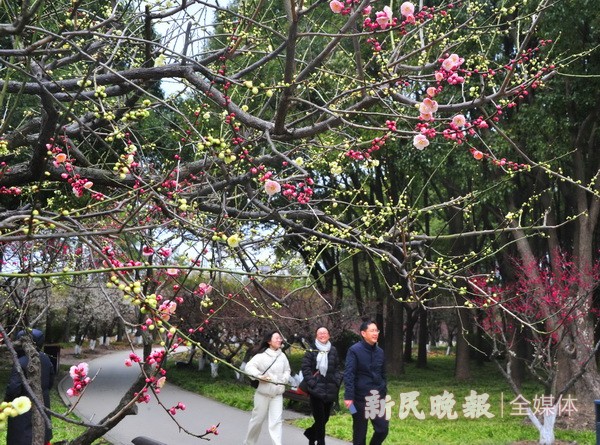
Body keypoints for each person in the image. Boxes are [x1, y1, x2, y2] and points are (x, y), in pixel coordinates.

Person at [5, 329, 55, 445]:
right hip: (42, 404)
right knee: (41, 435)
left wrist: (7, 403)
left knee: (22, 437)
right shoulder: (46, 359)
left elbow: (13, 389)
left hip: (23, 408)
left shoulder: (21, 362)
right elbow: (50, 382)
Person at [343, 320, 388, 445]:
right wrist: (349, 397)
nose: (375, 333)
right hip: (358, 399)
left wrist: (383, 391)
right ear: (363, 333)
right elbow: (349, 374)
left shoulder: (380, 352)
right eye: (372, 331)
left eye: (376, 330)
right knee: (359, 433)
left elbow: (383, 373)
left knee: (383, 429)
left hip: (377, 398)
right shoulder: (354, 350)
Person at [243, 330, 291, 445]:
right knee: (257, 421)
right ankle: (249, 443)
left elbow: (287, 370)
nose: (280, 340)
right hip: (262, 394)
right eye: (277, 338)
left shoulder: (282, 356)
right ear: (269, 341)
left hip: (277, 395)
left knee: (276, 423)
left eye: (280, 338)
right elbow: (249, 367)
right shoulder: (261, 356)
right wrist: (259, 376)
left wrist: (283, 379)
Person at [301, 326, 343, 445]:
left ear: (329, 335)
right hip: (316, 390)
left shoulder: (333, 350)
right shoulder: (311, 351)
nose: (322, 335)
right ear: (316, 336)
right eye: (320, 333)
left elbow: (337, 368)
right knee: (319, 420)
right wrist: (312, 383)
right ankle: (321, 442)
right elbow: (305, 368)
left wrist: (337, 380)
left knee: (325, 418)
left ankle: (310, 434)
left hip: (330, 389)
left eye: (325, 333)